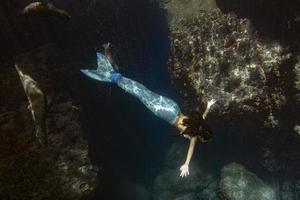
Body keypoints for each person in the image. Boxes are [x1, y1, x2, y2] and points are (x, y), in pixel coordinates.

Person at [81, 52, 216, 177]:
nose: (202, 141)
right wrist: (186, 164)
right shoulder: (194, 136)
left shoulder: (199, 122)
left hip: (173, 106)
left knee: (145, 91)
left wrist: (208, 106)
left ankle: (116, 76)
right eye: (204, 140)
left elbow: (204, 116)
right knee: (140, 95)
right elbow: (190, 151)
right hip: (166, 114)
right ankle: (111, 77)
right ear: (202, 136)